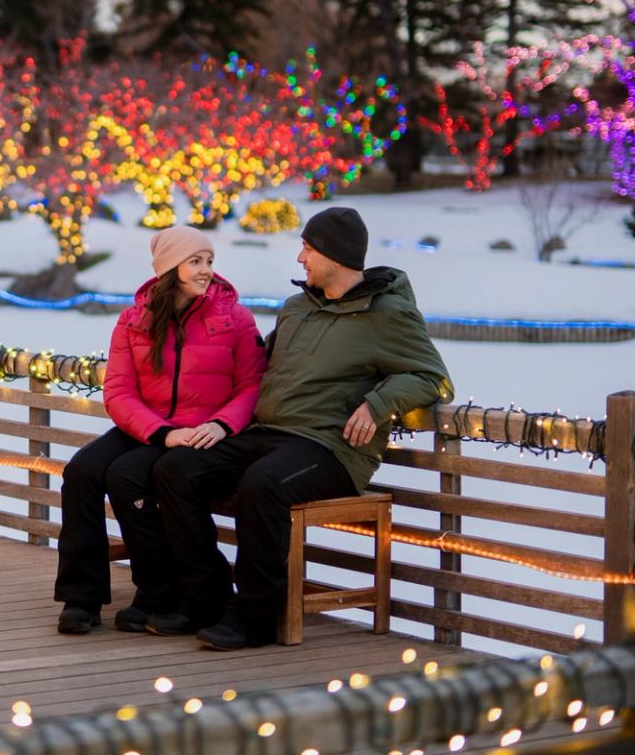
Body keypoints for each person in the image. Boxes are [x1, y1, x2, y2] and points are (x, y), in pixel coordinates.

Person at [145, 205, 452, 650]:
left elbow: (433, 377)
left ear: (334, 255)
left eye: (307, 248)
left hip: (330, 449)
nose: (300, 258)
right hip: (268, 435)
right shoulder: (297, 309)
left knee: (263, 484)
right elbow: (257, 366)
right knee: (175, 469)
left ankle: (256, 616)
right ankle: (204, 596)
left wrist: (376, 403)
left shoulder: (387, 314)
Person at [53, 225, 266, 634]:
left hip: (204, 430)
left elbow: (252, 385)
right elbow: (118, 391)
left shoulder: (234, 318)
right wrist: (160, 432)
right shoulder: (135, 319)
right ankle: (82, 597)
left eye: (209, 261)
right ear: (170, 267)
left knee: (127, 476)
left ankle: (156, 590)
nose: (206, 270)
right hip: (152, 427)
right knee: (81, 470)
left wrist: (222, 424)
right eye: (195, 261)